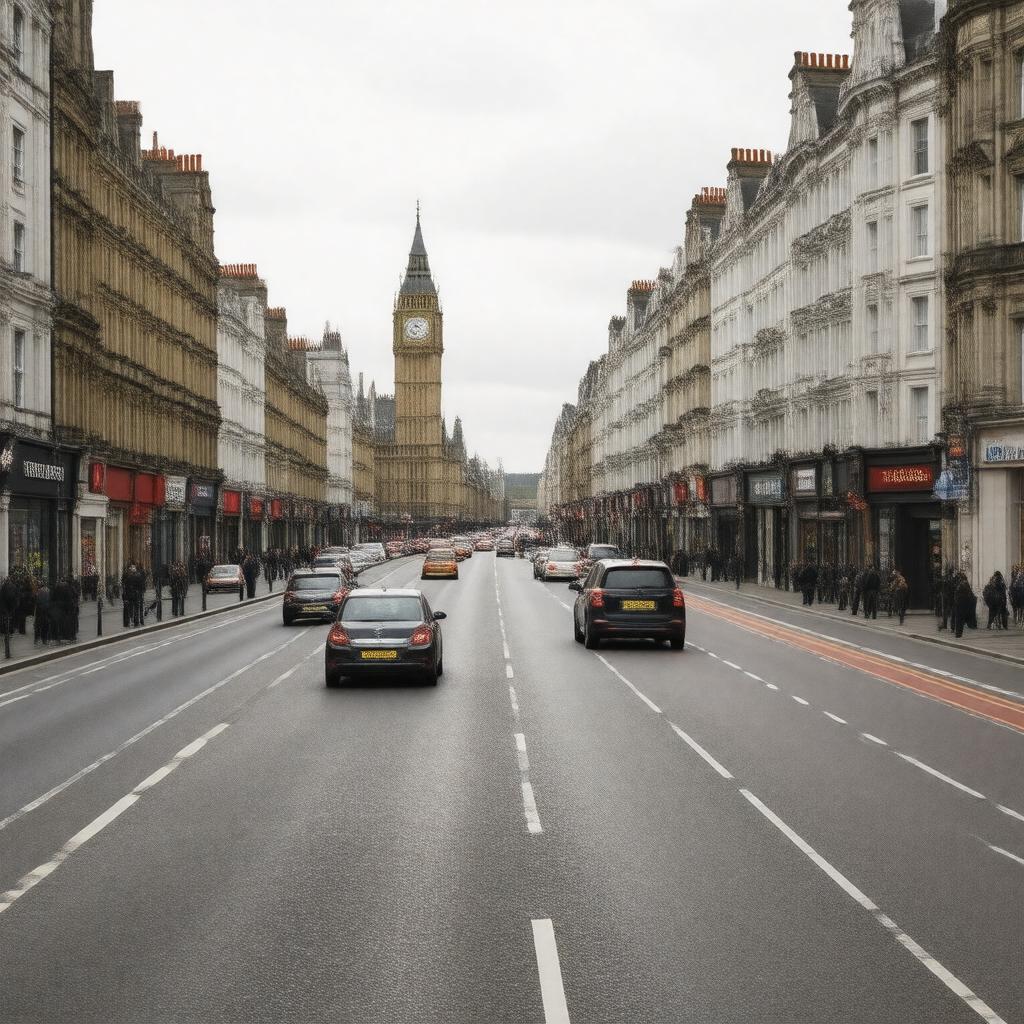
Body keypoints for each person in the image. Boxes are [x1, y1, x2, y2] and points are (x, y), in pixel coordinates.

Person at [952, 572, 978, 638]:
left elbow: (960, 595)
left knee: (959, 620)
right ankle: (958, 633)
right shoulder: (964, 584)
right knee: (959, 620)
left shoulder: (961, 584)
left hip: (960, 605)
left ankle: (958, 634)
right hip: (962, 604)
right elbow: (969, 595)